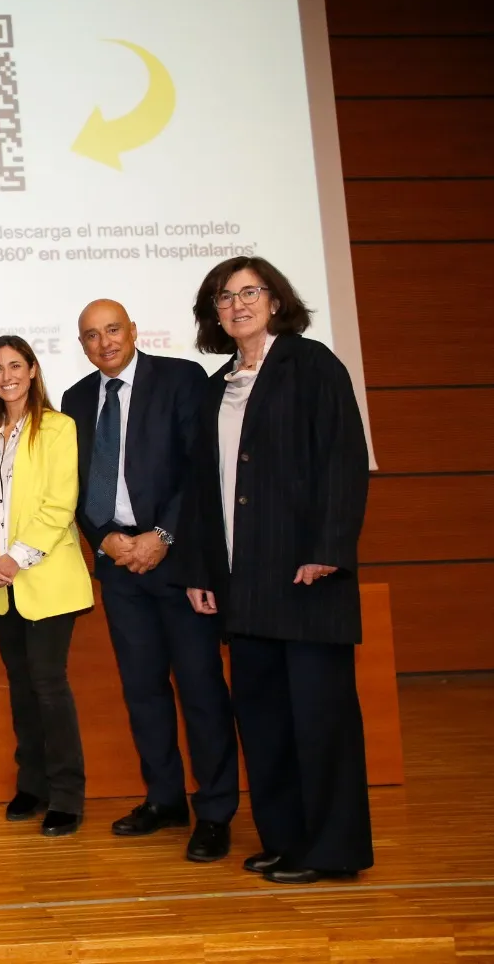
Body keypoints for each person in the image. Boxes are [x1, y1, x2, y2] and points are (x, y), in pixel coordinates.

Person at [180, 256, 372, 884]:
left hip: (305, 578)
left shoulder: (312, 365)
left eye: (249, 292)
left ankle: (332, 850)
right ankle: (287, 842)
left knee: (320, 722)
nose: (237, 305)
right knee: (263, 724)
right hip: (245, 584)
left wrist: (328, 548)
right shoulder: (217, 386)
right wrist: (204, 570)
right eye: (224, 297)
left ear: (275, 299)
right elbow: (207, 493)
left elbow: (344, 460)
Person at [60, 301, 238, 863]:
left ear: (133, 331)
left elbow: (199, 468)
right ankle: (164, 799)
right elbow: (77, 484)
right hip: (119, 566)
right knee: (143, 690)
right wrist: (105, 538)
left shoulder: (181, 379)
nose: (104, 342)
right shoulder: (76, 399)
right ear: (82, 344)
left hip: (178, 561)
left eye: (113, 330)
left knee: (201, 690)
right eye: (91, 335)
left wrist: (163, 535)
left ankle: (214, 811)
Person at [0, 336, 94, 837]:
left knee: (49, 684)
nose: (7, 376)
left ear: (34, 370)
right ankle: (33, 784)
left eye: (15, 366)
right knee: (22, 689)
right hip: (0, 585)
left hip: (45, 578)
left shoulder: (60, 428)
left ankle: (67, 795)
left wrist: (14, 559)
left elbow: (59, 504)